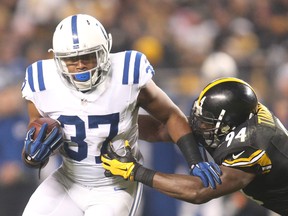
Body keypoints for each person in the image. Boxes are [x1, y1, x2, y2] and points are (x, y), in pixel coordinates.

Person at [20, 14, 221, 216]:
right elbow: (37, 135)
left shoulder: (126, 74)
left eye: (88, 56)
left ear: (105, 51)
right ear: (58, 59)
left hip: (114, 186)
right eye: (72, 59)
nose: (80, 65)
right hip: (67, 180)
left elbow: (170, 116)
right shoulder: (42, 82)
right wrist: (32, 156)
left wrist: (195, 159)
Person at [102, 77, 288, 216]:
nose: (199, 125)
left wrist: (137, 172)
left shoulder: (252, 146)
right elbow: (162, 129)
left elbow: (199, 191)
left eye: (207, 122)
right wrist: (111, 124)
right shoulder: (240, 118)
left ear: (230, 125)